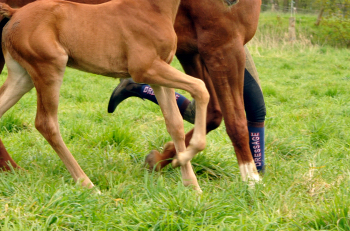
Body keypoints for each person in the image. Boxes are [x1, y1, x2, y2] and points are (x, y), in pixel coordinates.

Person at [108, 45, 266, 172]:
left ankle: (136, 87)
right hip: (216, 37)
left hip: (229, 34)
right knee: (217, 113)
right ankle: (257, 171)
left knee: (211, 113)